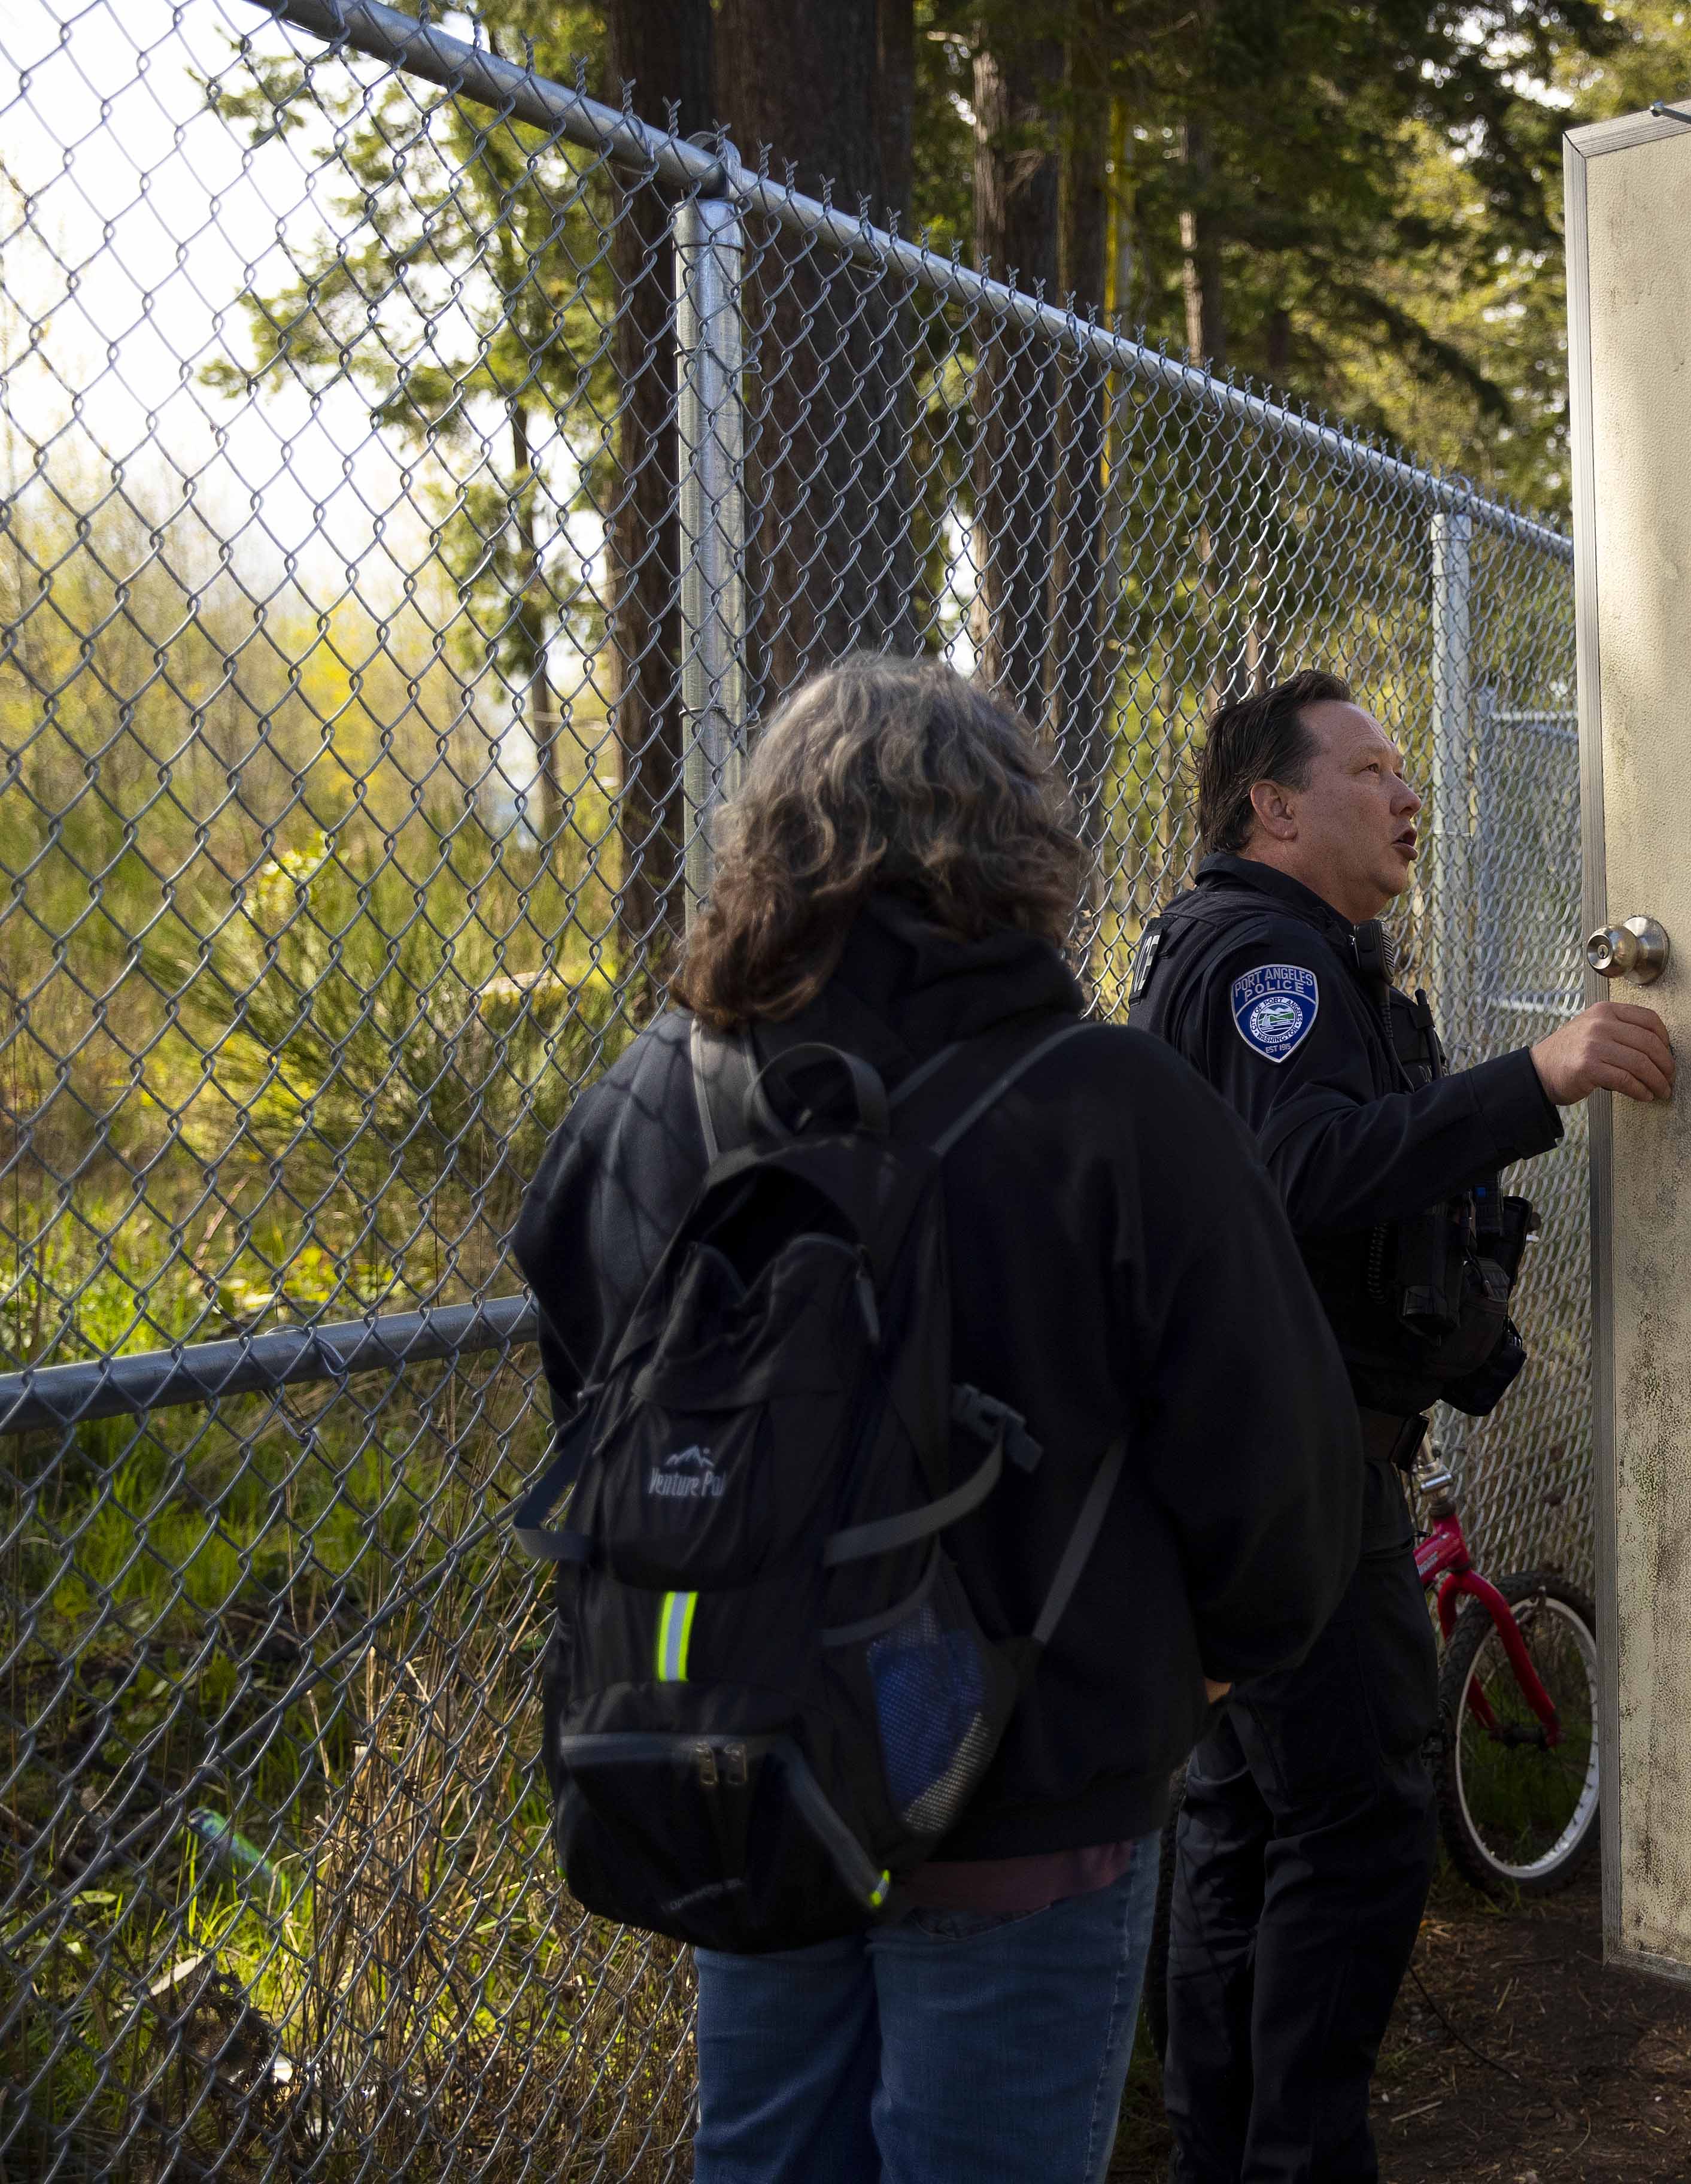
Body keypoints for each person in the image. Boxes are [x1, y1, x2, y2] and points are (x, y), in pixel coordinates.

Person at [509, 653, 1360, 2183]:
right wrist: (1215, 1661)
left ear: (766, 837)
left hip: (746, 1772)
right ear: (1021, 843)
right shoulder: (1114, 1105)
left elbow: (592, 1392)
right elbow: (1278, 1462)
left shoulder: (647, 1102)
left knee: (765, 2155)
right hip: (1033, 1797)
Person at [1130, 667, 1674, 2183]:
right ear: (1276, 805)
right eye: (1371, 769)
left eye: (1407, 770)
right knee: (1361, 1824)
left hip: (1270, 1457)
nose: (1407, 792)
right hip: (1287, 1474)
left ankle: (1228, 2155)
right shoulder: (1263, 963)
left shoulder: (1308, 952)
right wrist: (1538, 1077)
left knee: (1246, 1823)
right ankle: (1295, 2160)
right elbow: (1298, 1169)